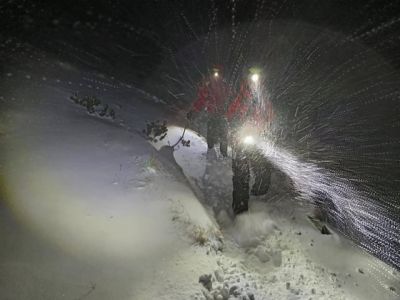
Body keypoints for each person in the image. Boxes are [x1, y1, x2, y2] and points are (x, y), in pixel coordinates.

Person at [227, 67, 274, 215]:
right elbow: (230, 114)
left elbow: (271, 116)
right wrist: (234, 125)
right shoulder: (240, 98)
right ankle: (240, 206)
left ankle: (260, 193)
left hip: (256, 140)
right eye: (251, 78)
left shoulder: (263, 99)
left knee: (263, 167)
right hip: (241, 140)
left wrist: (266, 129)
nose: (254, 82)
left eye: (257, 78)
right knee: (241, 174)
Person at [187, 65, 230, 157]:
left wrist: (229, 110)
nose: (215, 75)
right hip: (213, 114)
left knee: (223, 134)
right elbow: (201, 100)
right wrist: (193, 111)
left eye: (217, 73)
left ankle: (224, 153)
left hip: (222, 114)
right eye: (213, 73)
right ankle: (210, 151)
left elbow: (229, 98)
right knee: (211, 131)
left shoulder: (224, 86)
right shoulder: (208, 87)